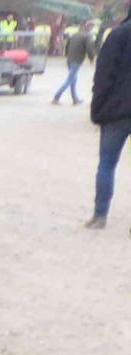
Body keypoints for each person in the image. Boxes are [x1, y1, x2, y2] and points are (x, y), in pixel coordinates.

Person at [90, 4, 131, 229]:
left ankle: (100, 216)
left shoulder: (118, 36)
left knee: (107, 164)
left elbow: (103, 76)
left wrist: (97, 111)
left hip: (116, 113)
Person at [55, 22, 90, 105]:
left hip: (70, 60)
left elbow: (67, 46)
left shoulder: (74, 35)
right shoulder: (87, 36)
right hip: (77, 60)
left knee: (73, 79)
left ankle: (75, 99)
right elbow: (89, 47)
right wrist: (91, 57)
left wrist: (67, 55)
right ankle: (57, 96)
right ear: (88, 28)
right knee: (70, 80)